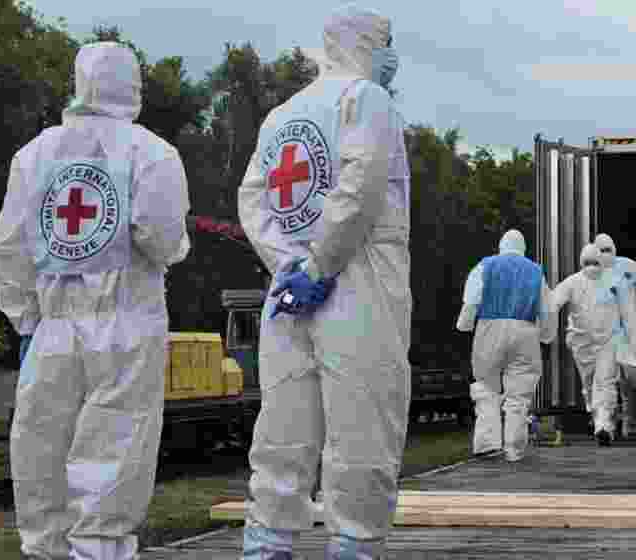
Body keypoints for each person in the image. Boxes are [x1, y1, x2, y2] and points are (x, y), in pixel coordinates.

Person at [0, 42, 191, 560]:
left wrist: (27, 322)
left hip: (52, 331)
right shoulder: (152, 152)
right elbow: (160, 238)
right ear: (133, 86)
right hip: (124, 326)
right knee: (112, 457)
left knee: (43, 458)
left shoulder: (34, 155)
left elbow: (8, 248)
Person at [235, 4, 411, 558]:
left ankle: (266, 543)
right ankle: (355, 545)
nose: (391, 56)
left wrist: (285, 264)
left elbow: (253, 197)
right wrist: (320, 266)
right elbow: (360, 189)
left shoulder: (282, 114)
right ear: (366, 43)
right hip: (355, 283)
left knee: (283, 431)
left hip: (287, 294)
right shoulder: (366, 100)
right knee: (363, 425)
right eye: (386, 42)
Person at [456, 229, 556, 462]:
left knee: (486, 387)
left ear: (501, 246)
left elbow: (472, 299)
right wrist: (546, 335)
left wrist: (465, 324)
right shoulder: (535, 271)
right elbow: (548, 308)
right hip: (525, 331)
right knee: (519, 395)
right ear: (523, 249)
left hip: (489, 328)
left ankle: (487, 443)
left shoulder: (486, 266)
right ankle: (514, 449)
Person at [552, 244, 636, 445]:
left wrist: (632, 342)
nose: (592, 267)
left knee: (606, 382)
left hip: (608, 341)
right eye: (588, 263)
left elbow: (629, 314)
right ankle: (598, 419)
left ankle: (604, 426)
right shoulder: (572, 283)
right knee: (589, 385)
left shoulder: (615, 282)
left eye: (595, 263)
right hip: (581, 343)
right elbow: (553, 302)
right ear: (581, 263)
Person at [593, 234, 636, 438]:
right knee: (605, 379)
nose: (605, 254)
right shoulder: (592, 274)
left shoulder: (628, 267)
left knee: (627, 380)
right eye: (601, 250)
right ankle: (605, 424)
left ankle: (630, 424)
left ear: (614, 249)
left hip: (630, 334)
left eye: (608, 249)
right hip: (604, 335)